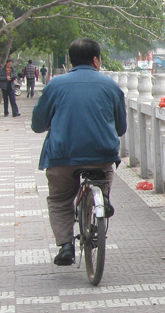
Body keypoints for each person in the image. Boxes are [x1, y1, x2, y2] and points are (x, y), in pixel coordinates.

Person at [32, 39, 127, 266]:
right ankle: (103, 197)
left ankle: (66, 245)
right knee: (104, 172)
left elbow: (37, 125)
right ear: (96, 60)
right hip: (101, 154)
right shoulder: (110, 85)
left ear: (70, 61)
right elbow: (121, 128)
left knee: (60, 199)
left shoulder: (55, 85)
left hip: (62, 156)